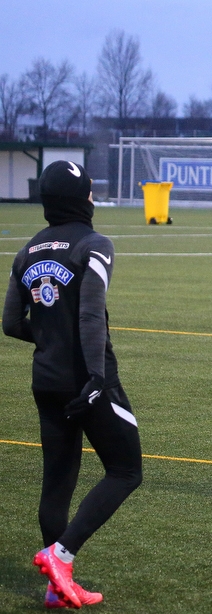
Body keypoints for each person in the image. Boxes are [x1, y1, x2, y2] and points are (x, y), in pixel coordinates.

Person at [3, 160, 143, 609]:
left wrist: (49, 336)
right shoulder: (94, 244)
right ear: (82, 198)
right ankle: (60, 557)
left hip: (45, 379)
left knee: (57, 482)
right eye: (89, 193)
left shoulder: (26, 252)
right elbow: (88, 313)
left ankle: (55, 587)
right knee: (126, 470)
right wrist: (97, 375)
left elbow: (10, 323)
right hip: (86, 378)